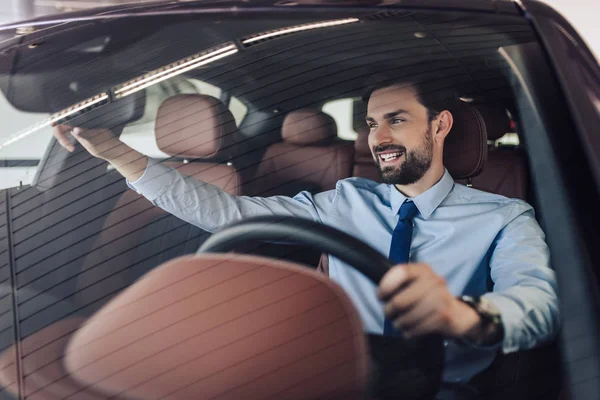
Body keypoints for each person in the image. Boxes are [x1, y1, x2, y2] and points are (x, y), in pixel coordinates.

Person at [53, 78, 559, 397]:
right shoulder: (346, 199)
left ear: (441, 125)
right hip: (328, 377)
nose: (377, 139)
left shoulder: (505, 216)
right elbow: (228, 213)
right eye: (370, 124)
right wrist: (119, 154)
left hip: (440, 387)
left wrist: (461, 314)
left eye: (397, 121)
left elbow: (538, 304)